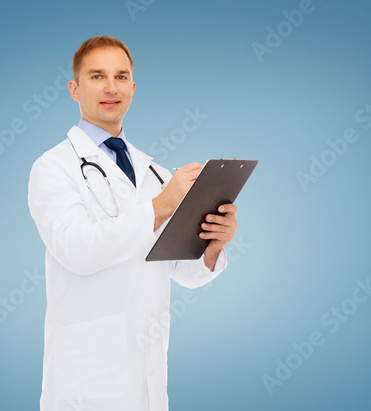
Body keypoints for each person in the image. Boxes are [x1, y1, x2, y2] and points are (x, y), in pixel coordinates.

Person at [28, 35, 239, 411]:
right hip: (87, 381)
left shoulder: (154, 171)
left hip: (148, 377)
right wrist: (162, 205)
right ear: (75, 89)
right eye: (97, 77)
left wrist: (213, 243)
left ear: (133, 88)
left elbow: (181, 270)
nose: (111, 87)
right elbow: (78, 251)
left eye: (121, 77)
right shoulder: (52, 167)